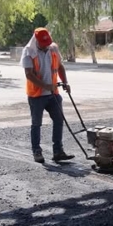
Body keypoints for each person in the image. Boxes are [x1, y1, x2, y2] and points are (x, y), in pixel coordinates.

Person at [21, 27, 75, 163]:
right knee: (36, 124)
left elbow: (60, 66)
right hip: (36, 95)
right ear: (36, 41)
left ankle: (58, 151)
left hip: (53, 94)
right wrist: (45, 86)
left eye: (48, 44)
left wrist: (65, 82)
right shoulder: (28, 52)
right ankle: (37, 151)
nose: (46, 47)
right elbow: (29, 75)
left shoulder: (53, 48)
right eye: (43, 45)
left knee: (59, 120)